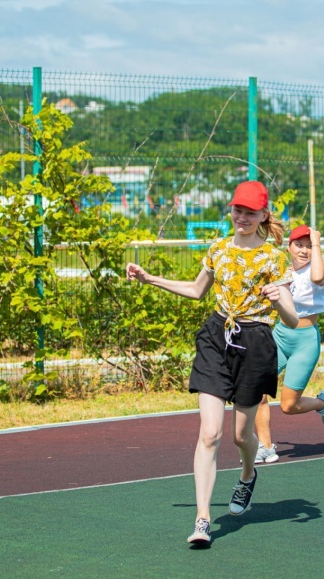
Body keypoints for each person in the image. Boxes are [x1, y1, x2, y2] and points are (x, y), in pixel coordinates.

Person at [125, 180, 298, 546]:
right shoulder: (218, 249)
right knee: (210, 433)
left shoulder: (273, 258)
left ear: (263, 216)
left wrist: (278, 299)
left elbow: (292, 319)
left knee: (241, 436)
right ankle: (202, 519)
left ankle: (247, 476)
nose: (242, 217)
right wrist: (149, 279)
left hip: (255, 343)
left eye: (250, 213)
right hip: (216, 338)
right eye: (238, 210)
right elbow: (195, 290)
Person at [253, 224, 324, 465]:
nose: (304, 250)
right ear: (288, 247)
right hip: (280, 336)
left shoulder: (317, 268)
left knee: (288, 406)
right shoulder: (282, 270)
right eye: (299, 245)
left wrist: (316, 241)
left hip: (305, 341)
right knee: (258, 390)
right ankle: (265, 447)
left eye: (308, 246)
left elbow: (317, 278)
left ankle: (322, 403)